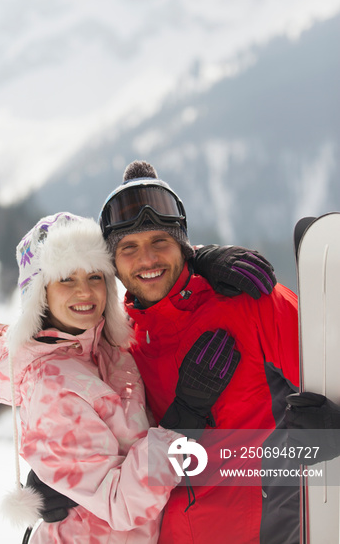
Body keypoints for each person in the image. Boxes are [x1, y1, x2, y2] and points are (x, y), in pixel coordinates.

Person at [0, 212, 240, 543]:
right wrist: (182, 421)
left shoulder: (106, 349)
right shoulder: (53, 386)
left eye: (94, 277)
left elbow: (146, 271)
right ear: (40, 294)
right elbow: (122, 505)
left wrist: (200, 260)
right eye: (66, 280)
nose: (84, 292)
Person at [97, 160, 302, 544]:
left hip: (263, 529)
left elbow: (330, 361)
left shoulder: (250, 303)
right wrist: (59, 474)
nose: (147, 259)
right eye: (129, 248)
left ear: (183, 246)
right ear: (112, 264)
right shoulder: (117, 340)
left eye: (161, 241)